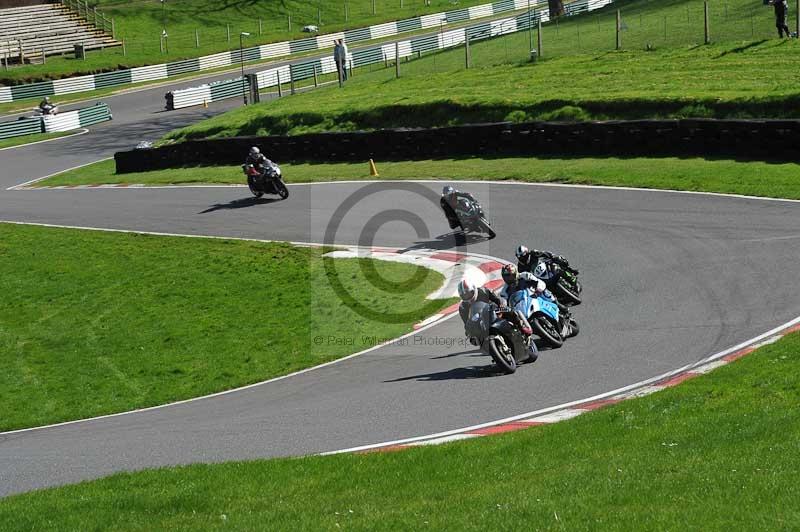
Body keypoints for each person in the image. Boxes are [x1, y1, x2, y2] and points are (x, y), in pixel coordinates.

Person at [457, 278, 537, 358]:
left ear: (474, 289)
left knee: (511, 311)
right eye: (464, 295)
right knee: (475, 338)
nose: (467, 296)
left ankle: (522, 327)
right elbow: (467, 322)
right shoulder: (463, 307)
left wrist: (501, 304)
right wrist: (469, 332)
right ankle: (495, 351)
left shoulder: (484, 291)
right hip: (481, 322)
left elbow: (498, 299)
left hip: (494, 311)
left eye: (469, 293)